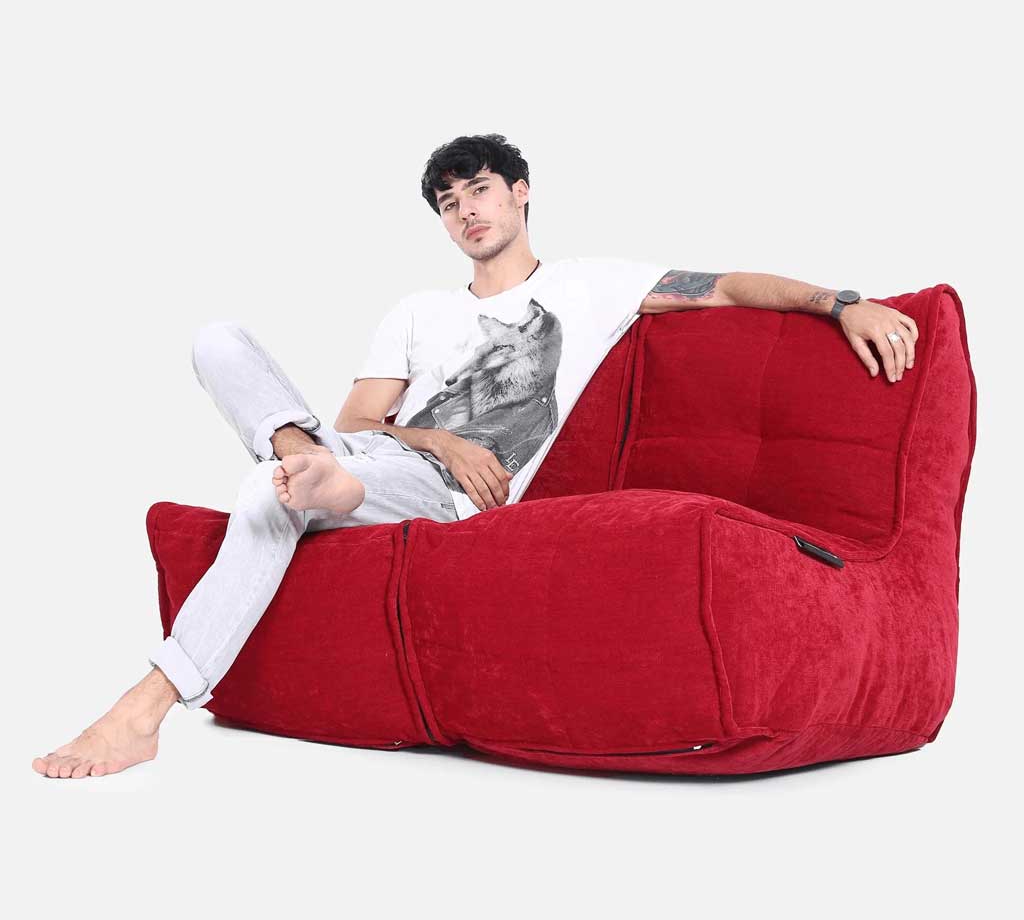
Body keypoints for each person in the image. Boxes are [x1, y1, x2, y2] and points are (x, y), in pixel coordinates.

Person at [32, 133, 919, 778]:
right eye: (449, 202)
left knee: (266, 492)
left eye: (480, 190)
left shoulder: (591, 285)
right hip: (378, 457)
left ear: (521, 193)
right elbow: (361, 419)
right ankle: (306, 469)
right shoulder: (416, 312)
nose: (466, 211)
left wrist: (841, 302)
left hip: (447, 498)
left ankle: (144, 708)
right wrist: (436, 436)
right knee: (218, 342)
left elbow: (724, 286)